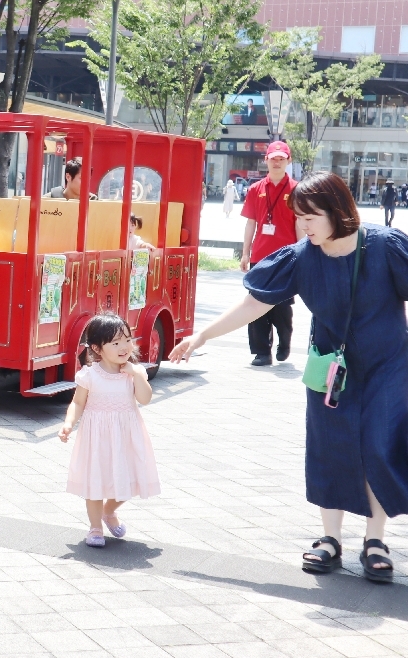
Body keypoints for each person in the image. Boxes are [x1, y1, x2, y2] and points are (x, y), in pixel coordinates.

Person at [170, 171, 408, 582]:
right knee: (329, 445)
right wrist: (202, 335)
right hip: (332, 369)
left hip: (388, 365)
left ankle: (374, 540)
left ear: (337, 211)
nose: (302, 226)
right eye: (298, 217)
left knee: (378, 445)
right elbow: (254, 304)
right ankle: (330, 539)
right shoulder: (301, 257)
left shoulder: (386, 246)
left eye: (310, 217)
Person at [59, 313, 159, 548]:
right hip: (97, 438)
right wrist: (68, 423)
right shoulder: (90, 375)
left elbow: (145, 399)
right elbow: (78, 402)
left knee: (128, 480)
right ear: (97, 348)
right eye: (115, 343)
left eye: (127, 339)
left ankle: (109, 511)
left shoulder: (134, 373)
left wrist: (136, 375)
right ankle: (95, 527)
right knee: (95, 482)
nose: (124, 347)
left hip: (126, 436)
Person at [240, 141, 297, 367]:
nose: (277, 161)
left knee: (282, 306)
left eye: (281, 158)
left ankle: (284, 341)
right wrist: (245, 253)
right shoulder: (256, 189)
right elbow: (250, 223)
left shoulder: (295, 189)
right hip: (260, 256)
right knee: (255, 304)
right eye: (273, 158)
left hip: (286, 256)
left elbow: (300, 223)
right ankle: (261, 351)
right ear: (266, 160)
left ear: (288, 161)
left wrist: (303, 253)